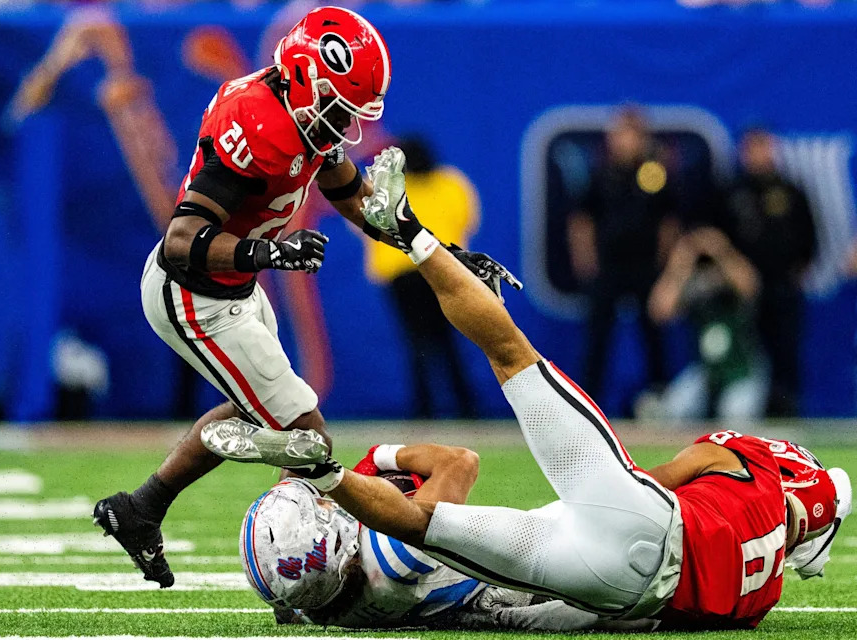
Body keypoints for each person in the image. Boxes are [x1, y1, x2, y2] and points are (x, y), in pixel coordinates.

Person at [206, 147, 850, 630]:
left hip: (634, 541)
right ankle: (325, 473)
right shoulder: (760, 605)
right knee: (424, 524)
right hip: (618, 587)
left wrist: (604, 492)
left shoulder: (757, 488)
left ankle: (407, 231)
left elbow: (676, 472)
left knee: (509, 352)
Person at [92, 6, 397, 588]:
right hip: (193, 293)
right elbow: (181, 242)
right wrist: (271, 254)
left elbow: (350, 191)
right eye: (337, 110)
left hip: (233, 288)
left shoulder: (305, 113)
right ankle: (295, 565)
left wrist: (431, 247)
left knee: (257, 410)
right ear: (305, 79)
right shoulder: (259, 126)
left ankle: (141, 509)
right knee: (307, 436)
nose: (344, 128)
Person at [240, 447, 657, 632]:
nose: (328, 504)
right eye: (323, 508)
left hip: (489, 603)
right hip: (548, 576)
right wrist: (381, 458)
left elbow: (294, 580)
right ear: (334, 539)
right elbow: (460, 462)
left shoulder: (313, 604)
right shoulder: (394, 555)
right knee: (655, 508)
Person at [568, 107, 679, 405]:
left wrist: (665, 268)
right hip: (608, 268)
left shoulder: (655, 175)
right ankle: (588, 400)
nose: (625, 141)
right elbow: (581, 221)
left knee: (654, 336)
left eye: (632, 135)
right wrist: (587, 263)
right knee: (597, 338)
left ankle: (660, 398)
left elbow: (669, 222)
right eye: (620, 134)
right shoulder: (600, 175)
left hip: (645, 269)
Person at [363, 135, 479, 418]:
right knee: (448, 339)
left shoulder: (390, 186)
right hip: (442, 267)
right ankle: (466, 409)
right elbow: (468, 220)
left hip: (401, 272)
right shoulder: (451, 183)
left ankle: (424, 410)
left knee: (416, 342)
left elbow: (365, 221)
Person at [713, 127, 817, 417]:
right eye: (752, 147)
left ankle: (786, 411)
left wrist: (796, 272)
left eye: (764, 146)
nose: (758, 153)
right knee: (744, 354)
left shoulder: (791, 191)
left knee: (785, 351)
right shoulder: (730, 192)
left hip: (781, 286)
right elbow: (713, 238)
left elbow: (809, 239)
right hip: (737, 293)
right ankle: (740, 416)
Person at [647, 227, 768, 421]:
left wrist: (720, 250)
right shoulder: (691, 278)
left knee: (736, 416)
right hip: (705, 371)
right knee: (674, 411)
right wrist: (681, 261)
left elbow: (751, 286)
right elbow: (659, 310)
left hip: (742, 370)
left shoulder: (731, 273)